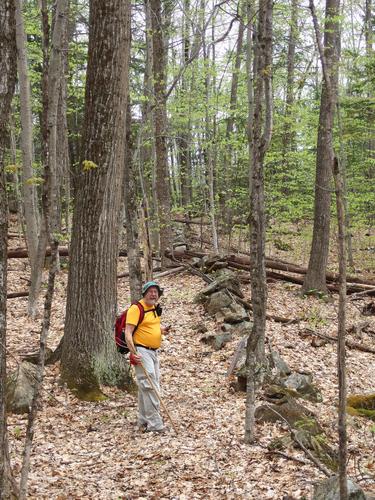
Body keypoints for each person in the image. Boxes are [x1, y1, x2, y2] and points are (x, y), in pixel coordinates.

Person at [125, 281, 170, 433]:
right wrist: (133, 352)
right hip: (141, 351)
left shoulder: (154, 309)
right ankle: (155, 424)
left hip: (153, 352)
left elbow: (151, 326)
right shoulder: (136, 309)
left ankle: (143, 419)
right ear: (144, 293)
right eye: (150, 291)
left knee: (148, 385)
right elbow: (128, 332)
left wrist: (162, 330)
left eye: (156, 292)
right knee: (150, 385)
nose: (153, 294)